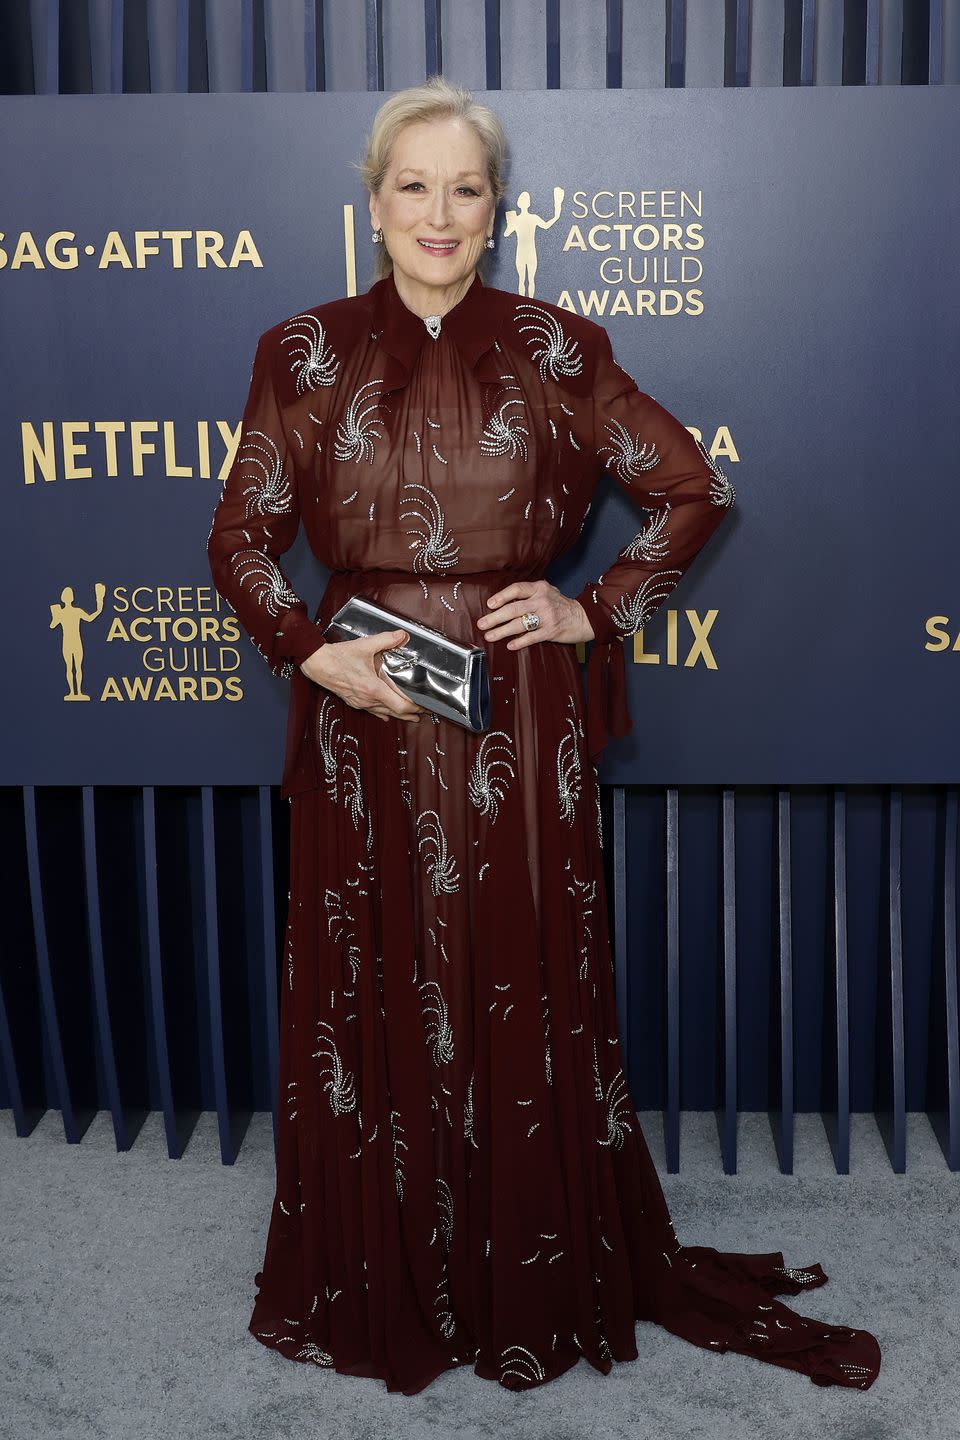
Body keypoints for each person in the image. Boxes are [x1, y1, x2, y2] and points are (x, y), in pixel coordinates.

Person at [207, 75, 881, 1395]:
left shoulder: (563, 347)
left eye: (467, 187)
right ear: (374, 201)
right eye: (415, 185)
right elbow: (237, 540)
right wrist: (316, 653)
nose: (440, 213)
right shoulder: (301, 348)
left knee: (518, 976)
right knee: (383, 978)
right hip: (369, 705)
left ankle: (529, 1261)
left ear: (499, 208)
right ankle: (396, 1262)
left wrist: (595, 609)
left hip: (518, 711)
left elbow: (690, 491)